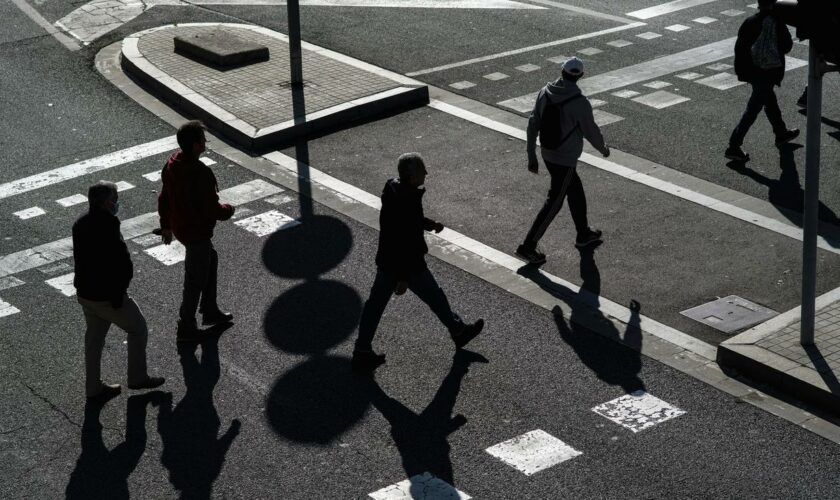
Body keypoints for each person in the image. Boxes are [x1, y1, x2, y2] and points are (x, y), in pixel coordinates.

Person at [351, 153, 485, 373]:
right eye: (423, 169)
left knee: (375, 306)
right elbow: (405, 238)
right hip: (407, 264)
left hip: (388, 259)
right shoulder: (408, 199)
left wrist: (430, 224)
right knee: (435, 297)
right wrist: (403, 277)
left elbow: (407, 223)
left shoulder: (396, 191)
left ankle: (362, 351)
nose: (427, 173)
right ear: (412, 176)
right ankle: (458, 331)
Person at [73, 181, 165, 399]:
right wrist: (119, 294)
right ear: (107, 202)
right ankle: (137, 377)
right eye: (115, 198)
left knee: (94, 340)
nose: (117, 202)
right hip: (108, 296)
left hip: (86, 294)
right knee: (137, 328)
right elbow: (121, 263)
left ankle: (93, 387)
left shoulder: (80, 223)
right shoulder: (108, 224)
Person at [518, 57, 610, 265]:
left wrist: (531, 155)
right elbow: (591, 131)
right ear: (581, 76)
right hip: (564, 158)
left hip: (547, 152)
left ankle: (583, 233)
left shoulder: (545, 92)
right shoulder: (580, 102)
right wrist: (603, 149)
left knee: (575, 190)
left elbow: (533, 124)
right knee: (555, 201)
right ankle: (528, 246)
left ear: (562, 72)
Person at [158, 121, 235, 342]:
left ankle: (210, 309)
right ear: (195, 145)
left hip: (182, 227)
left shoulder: (172, 164)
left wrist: (166, 225)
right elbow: (212, 209)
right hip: (196, 232)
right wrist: (228, 210)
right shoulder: (200, 173)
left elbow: (164, 197)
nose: (205, 143)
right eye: (202, 139)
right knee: (194, 280)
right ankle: (186, 326)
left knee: (210, 259)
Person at [725, 0, 800, 162]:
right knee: (753, 109)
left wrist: (743, 72)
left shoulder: (750, 22)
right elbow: (787, 46)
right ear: (774, 4)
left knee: (769, 101)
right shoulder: (777, 21)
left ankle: (781, 133)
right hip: (768, 71)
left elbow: (740, 48)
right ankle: (734, 145)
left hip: (752, 72)